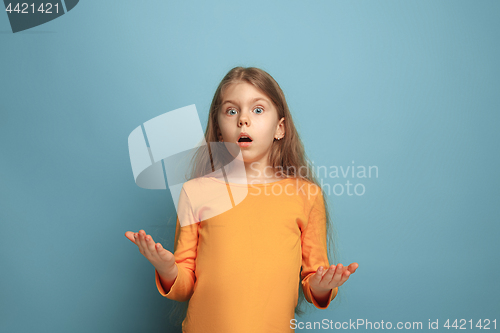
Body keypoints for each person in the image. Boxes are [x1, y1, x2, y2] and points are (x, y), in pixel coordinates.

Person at [125, 66, 359, 332]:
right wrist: (167, 270)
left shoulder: (306, 195)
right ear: (219, 130)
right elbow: (184, 284)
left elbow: (312, 279)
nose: (243, 120)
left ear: (279, 128)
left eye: (257, 110)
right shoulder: (195, 191)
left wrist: (321, 285)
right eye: (231, 111)